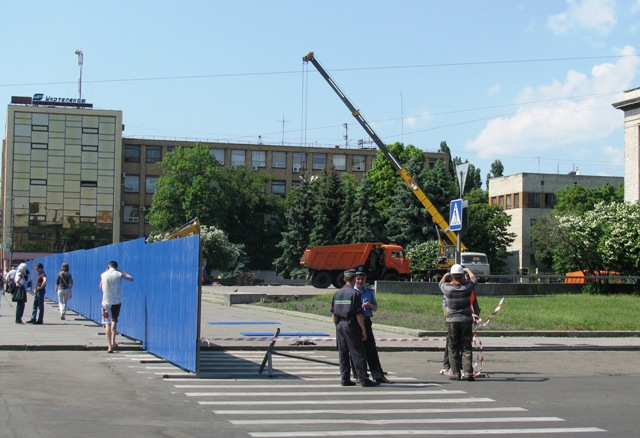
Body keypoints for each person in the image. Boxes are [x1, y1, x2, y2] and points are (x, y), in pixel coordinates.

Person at [331, 269, 379, 387]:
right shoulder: (355, 294)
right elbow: (358, 314)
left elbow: (333, 313)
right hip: (350, 324)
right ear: (353, 279)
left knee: (343, 352)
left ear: (344, 279)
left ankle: (345, 378)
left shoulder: (337, 293)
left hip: (339, 324)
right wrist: (363, 330)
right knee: (358, 352)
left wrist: (337, 326)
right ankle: (363, 379)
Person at [439, 263, 480, 382]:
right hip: (466, 320)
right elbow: (474, 279)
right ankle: (468, 373)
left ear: (452, 275)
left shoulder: (447, 288)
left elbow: (440, 282)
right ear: (462, 275)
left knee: (453, 347)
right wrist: (467, 270)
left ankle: (456, 373)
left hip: (452, 320)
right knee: (466, 346)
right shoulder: (467, 287)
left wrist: (446, 275)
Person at [352, 268, 392, 384]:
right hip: (355, 323)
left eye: (362, 279)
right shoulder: (351, 292)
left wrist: (369, 305)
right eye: (358, 279)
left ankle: (378, 375)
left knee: (371, 350)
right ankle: (359, 376)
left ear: (365, 280)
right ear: (355, 279)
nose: (360, 281)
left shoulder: (368, 291)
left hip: (366, 321)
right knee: (357, 351)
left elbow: (375, 308)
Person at [99, 261, 134, 353]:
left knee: (107, 323)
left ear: (108, 266)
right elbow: (131, 278)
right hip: (116, 301)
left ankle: (109, 346)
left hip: (106, 301)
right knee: (114, 320)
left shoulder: (103, 274)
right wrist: (122, 272)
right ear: (116, 267)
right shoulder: (118, 273)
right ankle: (113, 341)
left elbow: (100, 286)